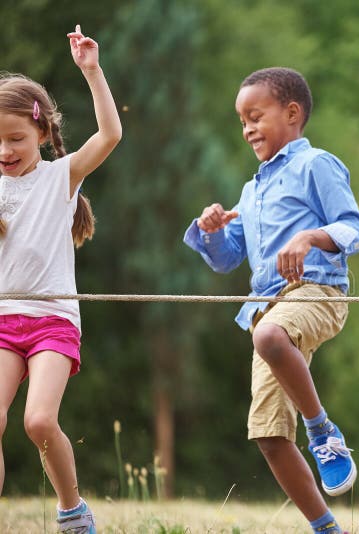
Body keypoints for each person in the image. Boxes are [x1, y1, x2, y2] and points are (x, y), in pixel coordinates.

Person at [184, 67, 359, 534]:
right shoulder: (252, 191)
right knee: (268, 435)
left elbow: (356, 228)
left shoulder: (317, 165)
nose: (246, 128)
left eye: (255, 116)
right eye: (241, 120)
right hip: (266, 307)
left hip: (318, 293)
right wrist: (212, 232)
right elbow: (228, 259)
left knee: (270, 335)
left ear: (291, 113)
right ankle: (327, 529)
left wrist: (310, 237)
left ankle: (323, 431)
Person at [0, 25, 122, 534]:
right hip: (2, 319)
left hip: (52, 320)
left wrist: (91, 72)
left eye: (15, 139)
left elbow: (110, 135)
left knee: (38, 422)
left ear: (43, 134)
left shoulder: (61, 176)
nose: (4, 150)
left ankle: (72, 510)